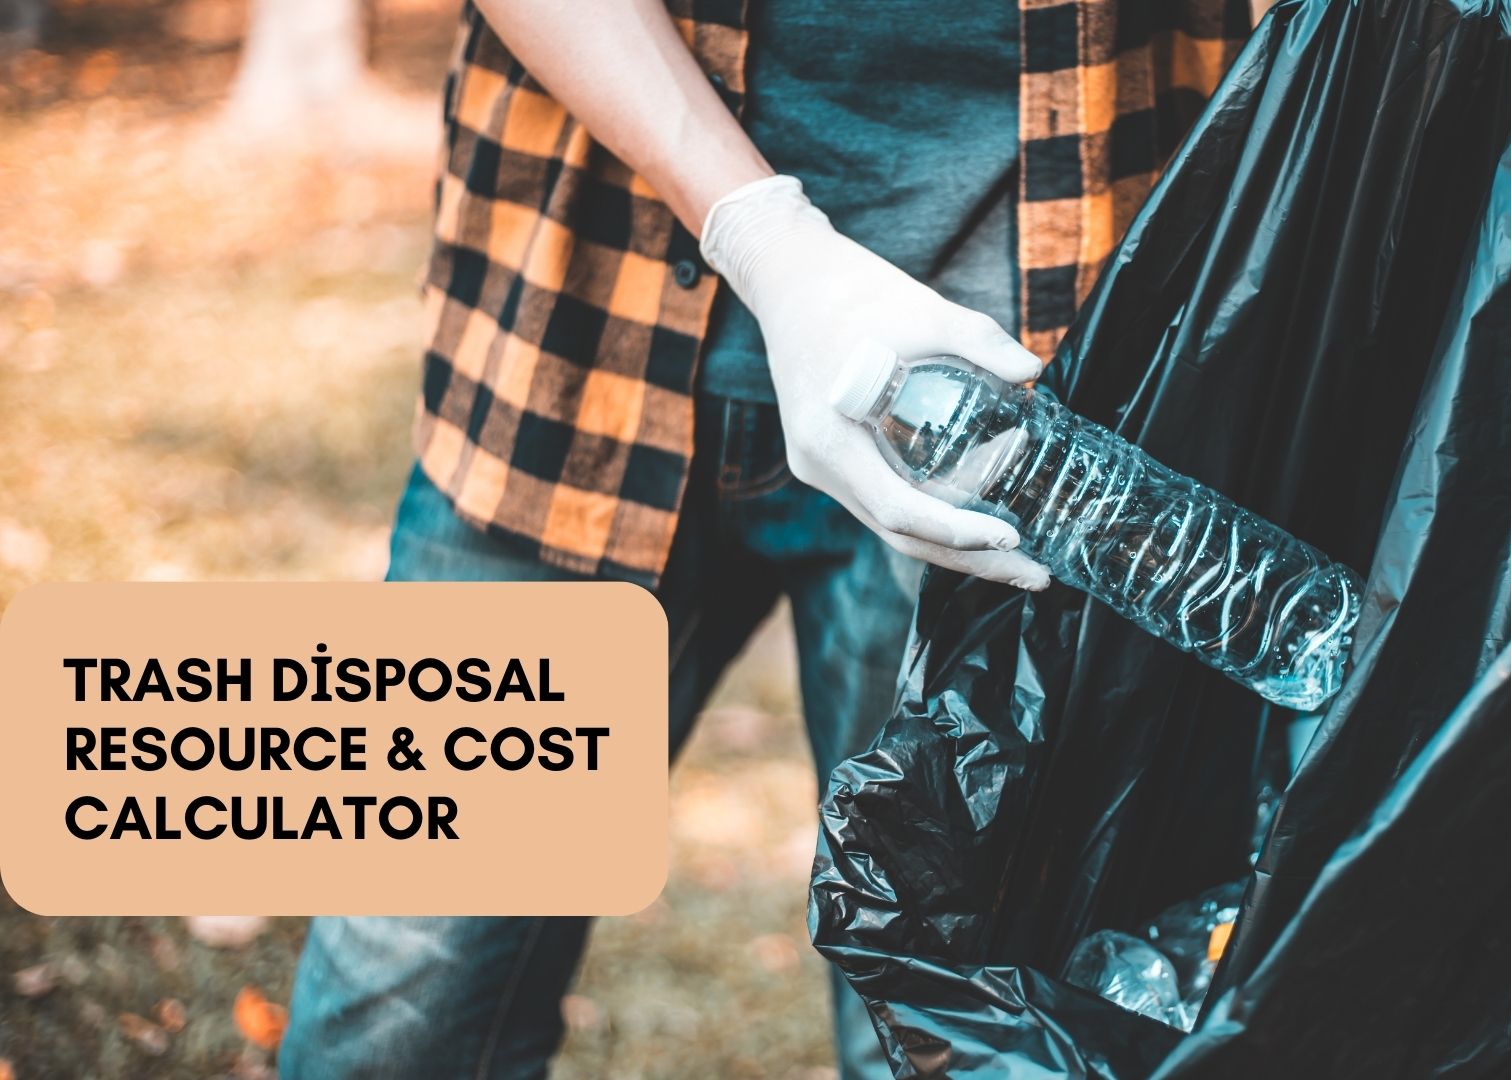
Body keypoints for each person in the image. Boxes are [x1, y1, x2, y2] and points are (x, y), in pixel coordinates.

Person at [280, 0, 1248, 1075]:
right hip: (573, 367)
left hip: (1017, 428)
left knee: (963, 1038)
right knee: (389, 1025)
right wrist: (765, 239)